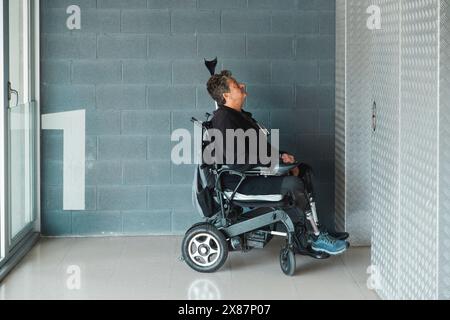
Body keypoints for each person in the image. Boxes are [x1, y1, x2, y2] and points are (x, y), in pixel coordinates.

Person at [206, 70, 349, 256]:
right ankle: (315, 237)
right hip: (240, 182)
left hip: (251, 174)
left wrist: (281, 156)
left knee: (303, 171)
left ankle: (314, 231)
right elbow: (237, 159)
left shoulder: (240, 116)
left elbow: (258, 149)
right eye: (236, 85)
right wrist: (275, 163)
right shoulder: (224, 119)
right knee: (293, 184)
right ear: (226, 95)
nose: (242, 86)